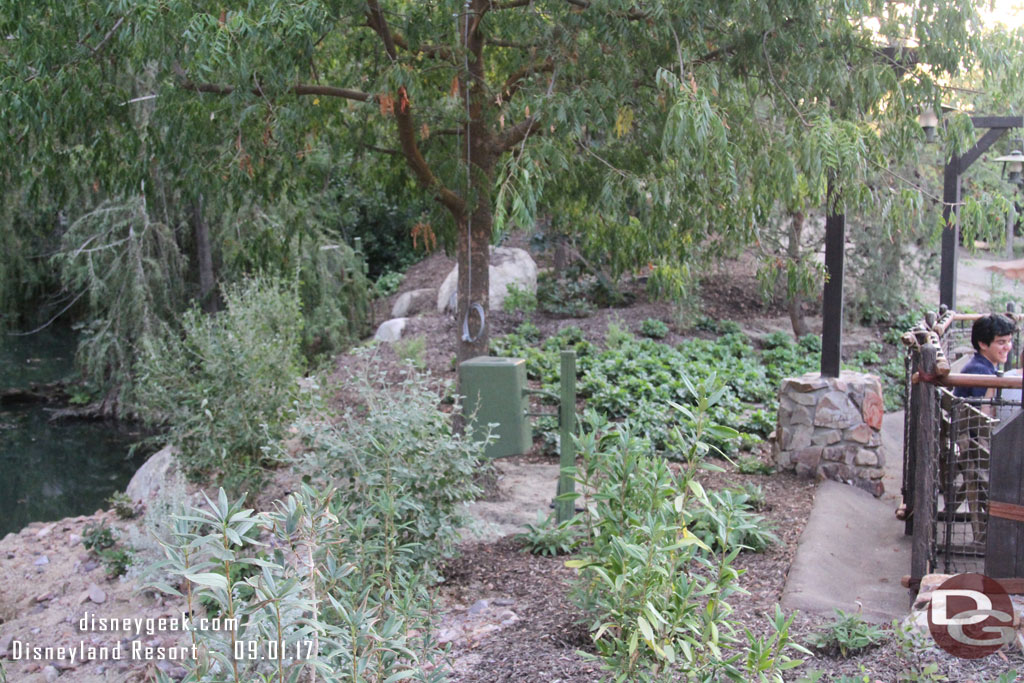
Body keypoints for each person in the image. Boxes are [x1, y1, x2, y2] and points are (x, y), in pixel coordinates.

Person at [953, 313, 1016, 400]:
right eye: (1001, 342)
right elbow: (983, 410)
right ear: (982, 344)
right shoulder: (979, 371)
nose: (1008, 347)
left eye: (1009, 341)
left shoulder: (984, 365)